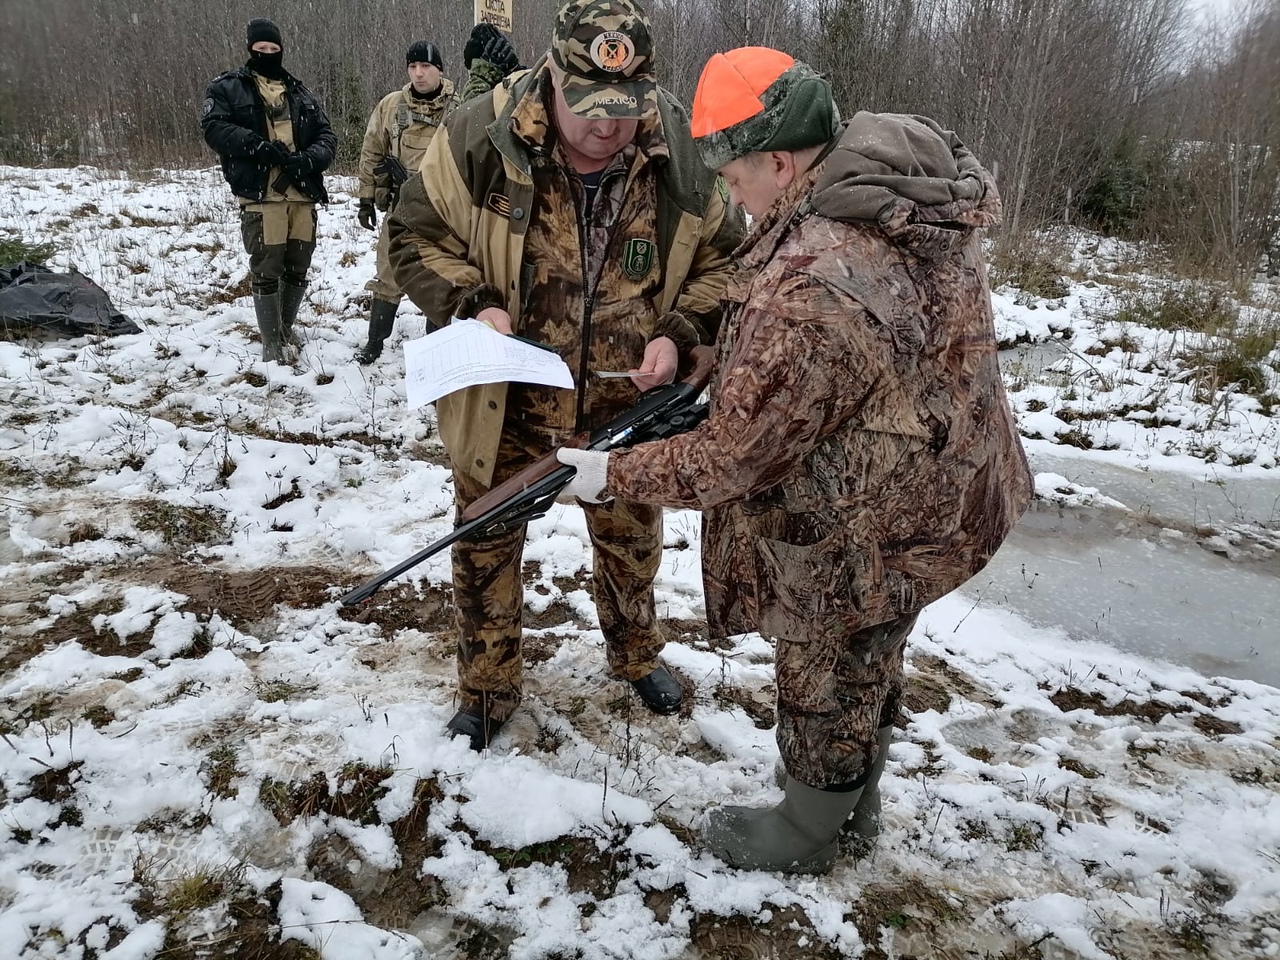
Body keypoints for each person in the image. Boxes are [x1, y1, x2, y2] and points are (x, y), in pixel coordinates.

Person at [555, 47, 1034, 873]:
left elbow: (728, 462)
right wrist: (726, 360)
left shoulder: (815, 279)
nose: (731, 199)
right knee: (873, 651)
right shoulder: (898, 191)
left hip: (859, 518)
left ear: (779, 160)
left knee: (825, 666)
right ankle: (856, 799)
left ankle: (811, 828)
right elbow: (854, 363)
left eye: (735, 179)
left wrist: (607, 475)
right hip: (944, 484)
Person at [387, 0, 745, 751]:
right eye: (587, 106)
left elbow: (726, 263)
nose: (606, 128)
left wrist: (682, 335)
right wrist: (473, 303)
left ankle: (635, 654)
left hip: (628, 407)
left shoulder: (677, 144)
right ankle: (487, 689)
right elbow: (412, 235)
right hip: (507, 401)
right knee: (484, 542)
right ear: (551, 71)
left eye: (622, 109)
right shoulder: (479, 133)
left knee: (633, 542)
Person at [354, 30, 521, 365]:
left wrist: (419, 181)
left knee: (444, 277)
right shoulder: (391, 106)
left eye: (426, 66)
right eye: (413, 65)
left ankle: (440, 344)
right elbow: (372, 150)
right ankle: (375, 341)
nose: (419, 72)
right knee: (388, 276)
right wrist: (366, 198)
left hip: (446, 212)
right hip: (402, 209)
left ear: (440, 70)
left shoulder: (459, 106)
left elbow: (469, 152)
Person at [202, 18, 336, 364]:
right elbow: (214, 128)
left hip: (302, 192)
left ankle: (285, 327)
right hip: (261, 193)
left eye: (273, 49)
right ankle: (270, 342)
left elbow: (327, 137)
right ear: (250, 49)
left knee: (298, 264)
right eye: (260, 49)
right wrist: (257, 146)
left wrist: (308, 160)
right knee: (267, 264)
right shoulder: (229, 87)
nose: (267, 54)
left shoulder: (300, 91)